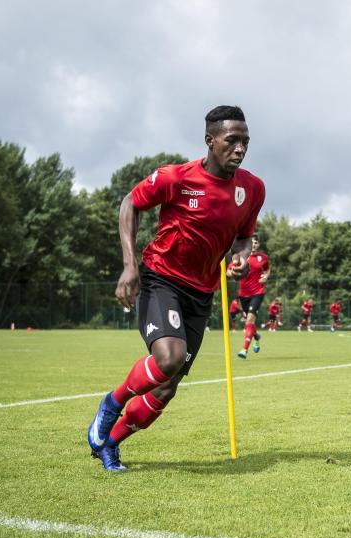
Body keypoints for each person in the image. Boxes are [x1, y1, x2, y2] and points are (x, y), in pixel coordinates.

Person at [86, 105, 265, 472]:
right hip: (161, 279)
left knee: (166, 388)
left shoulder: (252, 189)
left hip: (201, 295)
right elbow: (129, 204)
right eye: (232, 140)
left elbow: (244, 239)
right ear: (210, 140)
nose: (240, 148)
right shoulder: (176, 178)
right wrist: (129, 265)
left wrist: (241, 259)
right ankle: (112, 403)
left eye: (245, 141)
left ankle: (111, 444)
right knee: (168, 357)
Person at [237, 234, 270, 358]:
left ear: (258, 244)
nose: (253, 244)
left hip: (258, 292)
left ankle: (244, 350)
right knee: (249, 322)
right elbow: (231, 269)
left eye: (256, 242)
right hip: (243, 294)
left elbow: (267, 269)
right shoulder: (240, 256)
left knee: (250, 319)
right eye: (251, 242)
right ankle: (256, 336)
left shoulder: (263, 257)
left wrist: (266, 276)